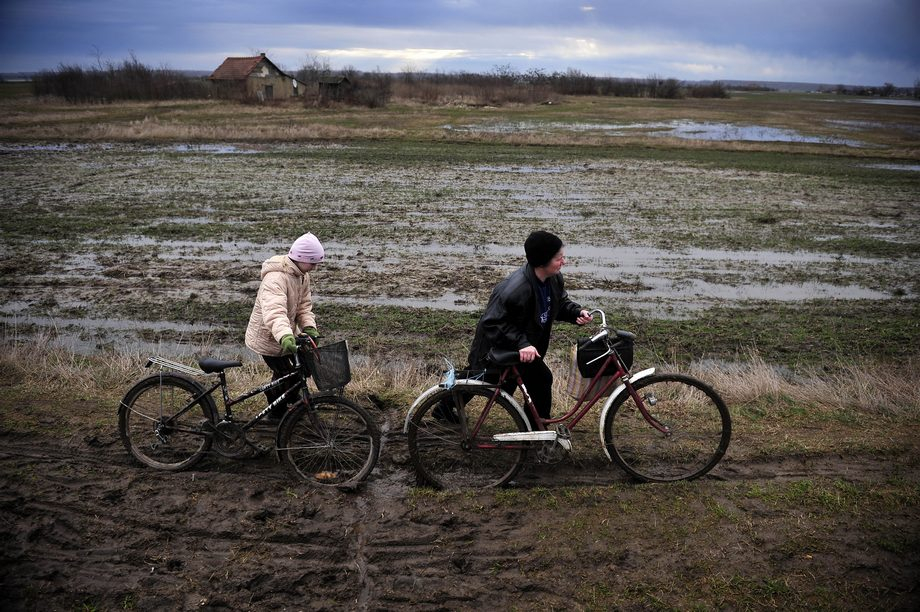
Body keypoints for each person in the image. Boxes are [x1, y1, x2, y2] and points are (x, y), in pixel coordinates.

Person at [464, 230, 593, 427]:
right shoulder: (516, 289)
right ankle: (445, 408)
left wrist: (576, 312)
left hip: (524, 349)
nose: (563, 262)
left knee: (537, 382)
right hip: (496, 348)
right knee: (482, 379)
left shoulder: (553, 279)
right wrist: (521, 343)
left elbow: (557, 304)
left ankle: (535, 430)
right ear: (542, 262)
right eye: (559, 258)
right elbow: (492, 322)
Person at [245, 232, 324, 420]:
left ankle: (291, 399)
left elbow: (303, 307)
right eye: (312, 262)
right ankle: (275, 413)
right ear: (300, 258)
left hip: (286, 333)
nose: (314, 267)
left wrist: (309, 327)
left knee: (302, 368)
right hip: (269, 337)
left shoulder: (301, 275)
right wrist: (285, 336)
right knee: (285, 374)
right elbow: (275, 312)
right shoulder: (276, 278)